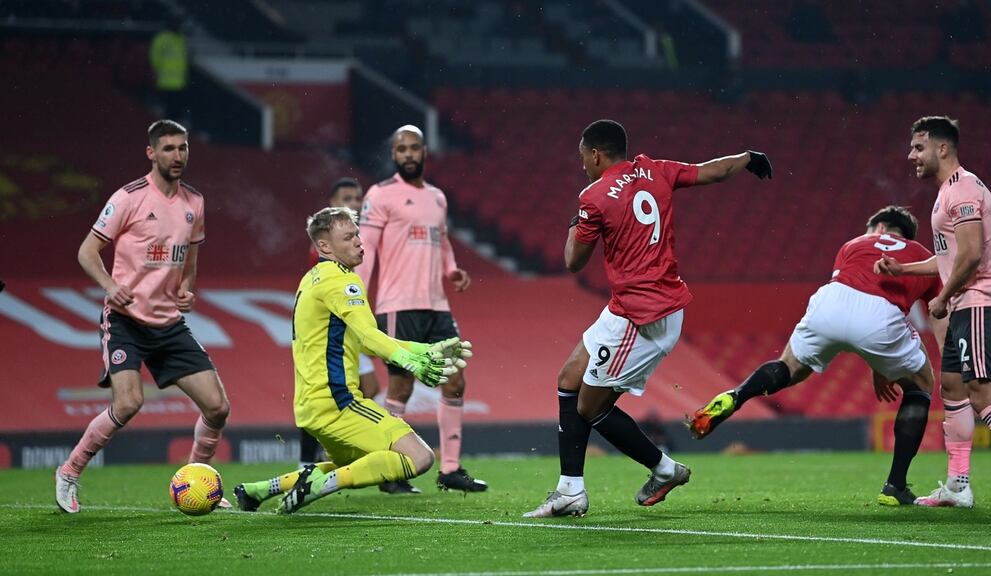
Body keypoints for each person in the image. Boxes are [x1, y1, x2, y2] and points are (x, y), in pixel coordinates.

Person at [523, 119, 774, 518]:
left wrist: (577, 221)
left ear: (595, 154)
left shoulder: (595, 197)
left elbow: (573, 261)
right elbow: (712, 170)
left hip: (643, 316)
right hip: (634, 305)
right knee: (569, 378)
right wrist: (747, 158)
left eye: (582, 158)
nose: (582, 165)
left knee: (589, 408)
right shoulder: (653, 168)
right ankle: (570, 489)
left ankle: (664, 469)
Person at [687, 206, 943, 506]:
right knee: (921, 384)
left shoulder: (852, 245)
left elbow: (852, 307)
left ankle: (736, 395)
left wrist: (879, 363)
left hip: (831, 300)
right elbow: (926, 309)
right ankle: (895, 486)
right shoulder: (924, 256)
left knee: (790, 366)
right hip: (881, 317)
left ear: (880, 227)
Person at [232, 207, 471, 514]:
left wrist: (424, 350)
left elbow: (364, 338)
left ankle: (258, 490)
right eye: (348, 237)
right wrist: (411, 363)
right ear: (324, 246)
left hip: (311, 405)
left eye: (357, 234)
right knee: (419, 457)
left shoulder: (313, 278)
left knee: (354, 464)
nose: (360, 242)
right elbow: (371, 337)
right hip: (339, 402)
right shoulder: (343, 282)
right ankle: (318, 487)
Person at [55, 120, 231, 513]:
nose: (178, 156)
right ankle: (69, 472)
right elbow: (87, 252)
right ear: (151, 153)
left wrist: (187, 287)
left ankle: (196, 480)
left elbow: (191, 255)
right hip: (125, 321)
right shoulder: (128, 198)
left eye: (183, 148)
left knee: (218, 407)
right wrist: (108, 285)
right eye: (168, 148)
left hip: (169, 323)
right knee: (129, 402)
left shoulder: (194, 203)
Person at [876, 116, 991, 511]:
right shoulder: (947, 192)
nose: (912, 156)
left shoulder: (961, 192)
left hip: (979, 301)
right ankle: (958, 486)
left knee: (983, 394)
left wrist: (943, 298)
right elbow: (949, 259)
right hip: (966, 302)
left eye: (918, 147)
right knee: (954, 391)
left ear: (943, 148)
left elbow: (972, 255)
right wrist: (903, 269)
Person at [357, 125, 485, 494]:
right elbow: (365, 248)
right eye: (402, 149)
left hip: (437, 305)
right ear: (394, 155)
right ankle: (391, 470)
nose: (409, 154)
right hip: (398, 304)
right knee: (401, 385)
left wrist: (451, 270)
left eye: (415, 147)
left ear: (425, 152)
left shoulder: (438, 197)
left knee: (456, 377)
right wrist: (358, 299)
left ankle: (449, 469)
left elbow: (441, 241)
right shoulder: (380, 195)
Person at [297, 177, 381, 468]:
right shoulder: (327, 248)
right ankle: (308, 460)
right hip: (335, 326)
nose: (354, 203)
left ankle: (334, 448)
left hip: (353, 322)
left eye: (358, 198)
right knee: (321, 393)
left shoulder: (359, 240)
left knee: (369, 387)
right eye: (347, 199)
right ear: (332, 204)